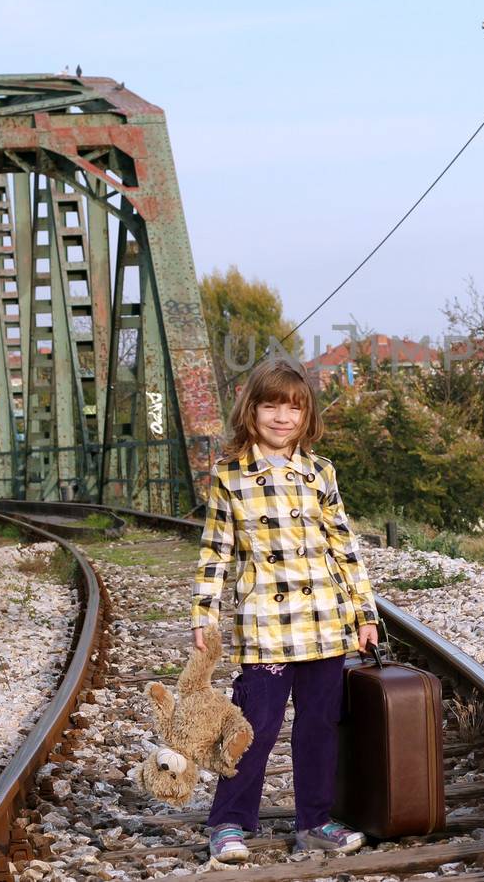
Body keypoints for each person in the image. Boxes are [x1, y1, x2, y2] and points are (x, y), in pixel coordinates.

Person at [191, 358, 379, 863]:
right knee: (255, 725)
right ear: (251, 411)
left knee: (318, 726)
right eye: (270, 405)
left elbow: (345, 547)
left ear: (306, 415)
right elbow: (216, 551)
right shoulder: (229, 475)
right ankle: (228, 822)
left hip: (324, 621)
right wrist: (203, 613)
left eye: (292, 408)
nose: (281, 417)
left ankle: (315, 822)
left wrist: (365, 614)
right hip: (266, 627)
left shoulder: (320, 473)